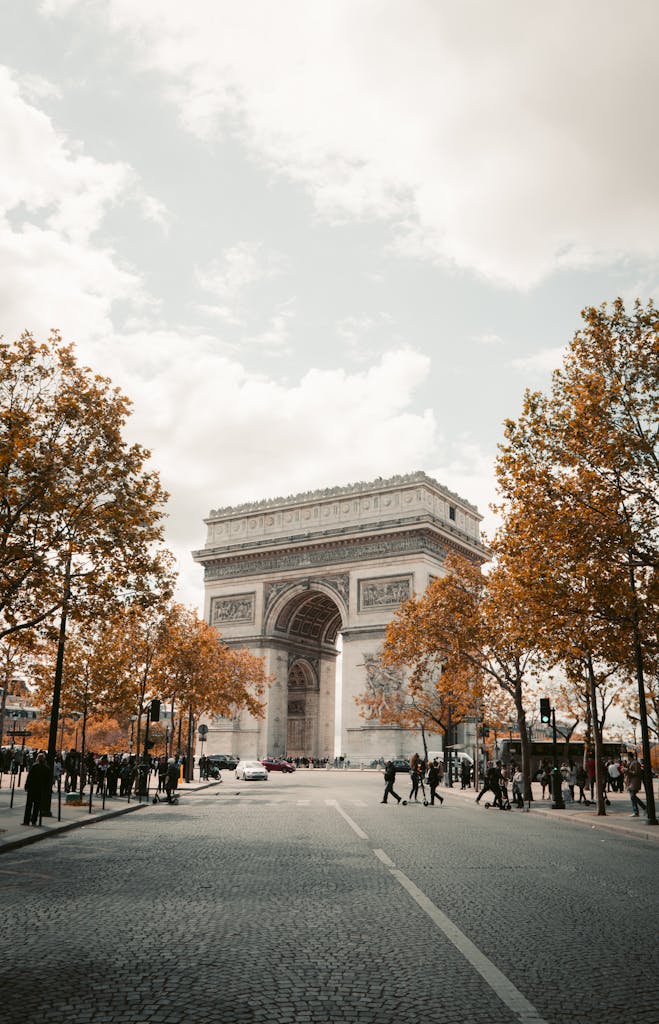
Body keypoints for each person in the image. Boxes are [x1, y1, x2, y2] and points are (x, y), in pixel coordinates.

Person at [22, 752, 51, 826]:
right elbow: (48, 781)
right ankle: (34, 820)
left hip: (32, 788)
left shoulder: (34, 766)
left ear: (37, 759)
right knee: (37, 806)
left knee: (29, 805)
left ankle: (26, 821)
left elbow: (29, 777)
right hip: (40, 789)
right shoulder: (47, 768)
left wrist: (26, 786)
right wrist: (46, 790)